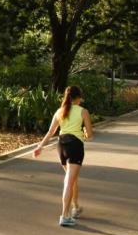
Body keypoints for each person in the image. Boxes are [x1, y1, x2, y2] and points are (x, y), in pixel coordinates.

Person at [33, 86, 94, 227]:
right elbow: (90, 135)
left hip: (62, 146)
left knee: (72, 179)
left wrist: (39, 147)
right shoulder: (83, 111)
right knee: (69, 181)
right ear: (78, 98)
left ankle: (76, 208)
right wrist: (84, 132)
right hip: (75, 146)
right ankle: (64, 215)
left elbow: (50, 132)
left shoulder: (59, 111)